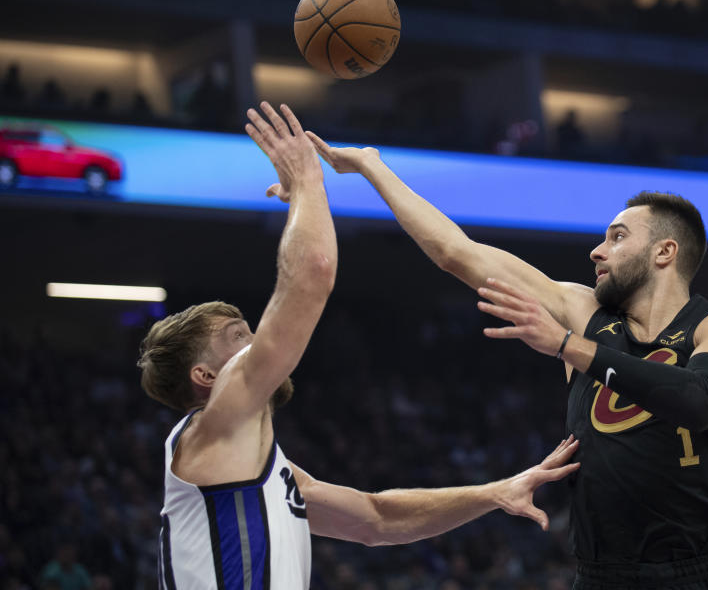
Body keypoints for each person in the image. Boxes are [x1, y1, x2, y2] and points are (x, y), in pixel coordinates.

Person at [137, 102, 580, 589]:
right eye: (238, 336)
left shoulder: (256, 464)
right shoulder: (214, 428)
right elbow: (311, 275)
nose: (258, 340)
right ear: (205, 377)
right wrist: (308, 179)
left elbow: (377, 520)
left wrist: (495, 493)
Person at [301, 136, 708, 590]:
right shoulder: (582, 312)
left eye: (617, 238)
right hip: (603, 575)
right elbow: (455, 252)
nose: (596, 251)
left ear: (665, 252)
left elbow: (699, 401)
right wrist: (371, 166)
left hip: (706, 573)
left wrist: (567, 346)